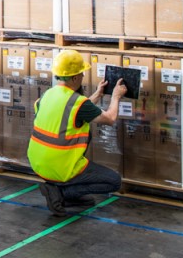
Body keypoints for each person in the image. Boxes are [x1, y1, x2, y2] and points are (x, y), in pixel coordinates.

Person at [26, 48, 126, 215]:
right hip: (60, 165)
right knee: (114, 182)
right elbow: (109, 118)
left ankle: (62, 190)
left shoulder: (48, 94)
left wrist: (98, 94)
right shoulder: (77, 102)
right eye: (81, 73)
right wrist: (116, 96)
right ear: (74, 77)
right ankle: (61, 193)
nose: (83, 76)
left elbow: (76, 109)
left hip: (37, 162)